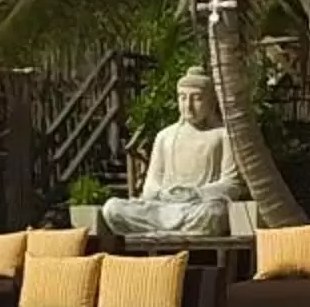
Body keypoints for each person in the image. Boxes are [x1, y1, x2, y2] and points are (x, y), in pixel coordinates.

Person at [98, 68, 247, 238]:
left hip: (197, 207)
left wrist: (195, 193)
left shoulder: (223, 135)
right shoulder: (165, 136)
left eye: (197, 98)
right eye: (183, 98)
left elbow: (232, 186)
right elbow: (150, 187)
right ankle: (170, 230)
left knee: (215, 213)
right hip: (163, 207)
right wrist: (163, 194)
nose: (188, 106)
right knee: (112, 208)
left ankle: (161, 231)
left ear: (211, 102)